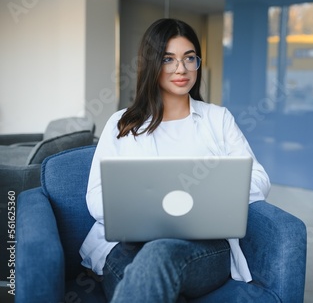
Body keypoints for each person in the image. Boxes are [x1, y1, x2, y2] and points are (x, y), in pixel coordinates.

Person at [79, 18, 271, 302]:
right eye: (168, 59)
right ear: (152, 64)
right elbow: (96, 198)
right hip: (128, 245)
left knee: (159, 257)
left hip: (203, 247)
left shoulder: (218, 119)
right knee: (153, 277)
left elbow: (259, 179)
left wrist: (204, 194)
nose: (181, 69)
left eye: (189, 58)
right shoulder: (121, 123)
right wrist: (148, 213)